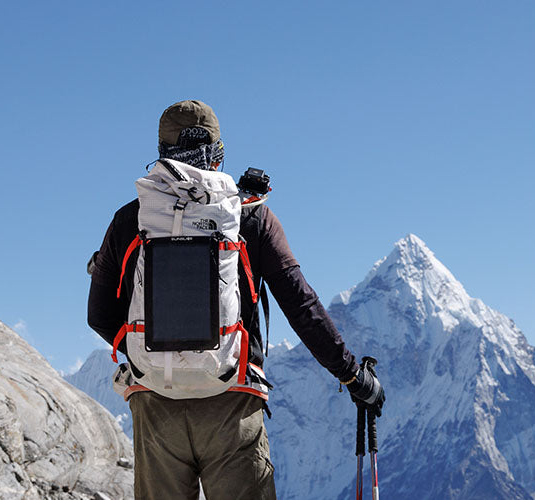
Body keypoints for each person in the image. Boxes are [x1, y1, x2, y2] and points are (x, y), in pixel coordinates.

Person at [87, 100, 385, 500]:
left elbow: (99, 315)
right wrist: (352, 375)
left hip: (156, 407)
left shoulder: (131, 219)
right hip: (232, 402)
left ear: (161, 151)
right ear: (217, 150)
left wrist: (152, 358)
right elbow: (300, 304)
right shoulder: (251, 217)